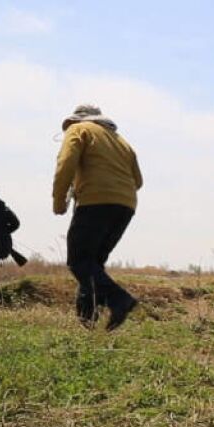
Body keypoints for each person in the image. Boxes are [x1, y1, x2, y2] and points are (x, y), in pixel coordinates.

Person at [52, 104, 143, 330]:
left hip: (95, 202)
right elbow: (138, 181)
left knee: (79, 261)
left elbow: (66, 163)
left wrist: (59, 200)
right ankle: (87, 322)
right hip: (125, 205)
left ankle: (119, 300)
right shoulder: (121, 141)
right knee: (92, 265)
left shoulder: (79, 129)